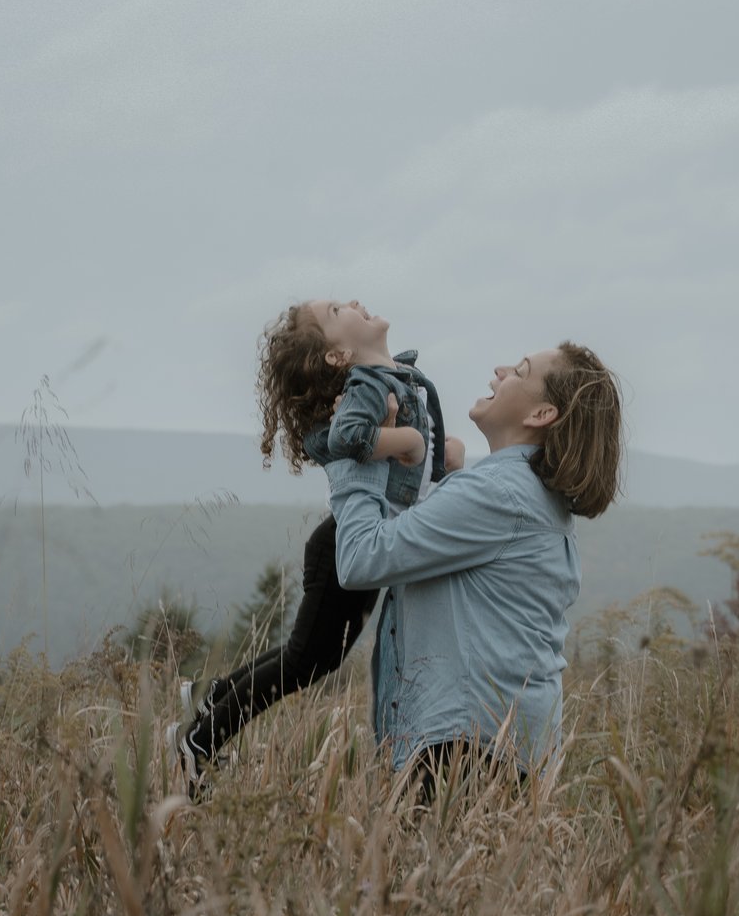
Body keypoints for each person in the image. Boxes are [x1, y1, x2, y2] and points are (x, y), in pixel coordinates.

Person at [170, 298, 462, 788]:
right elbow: (345, 439)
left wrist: (441, 457)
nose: (352, 302)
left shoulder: (397, 377)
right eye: (335, 312)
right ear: (337, 355)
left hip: (354, 542)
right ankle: (202, 738)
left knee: (309, 654)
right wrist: (410, 441)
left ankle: (209, 696)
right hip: (346, 547)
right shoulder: (368, 386)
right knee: (308, 658)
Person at [324, 342, 621, 799]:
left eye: (519, 371)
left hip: (465, 754)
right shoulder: (522, 493)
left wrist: (353, 453)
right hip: (498, 749)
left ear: (542, 414)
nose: (500, 371)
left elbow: (363, 557)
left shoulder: (499, 493)